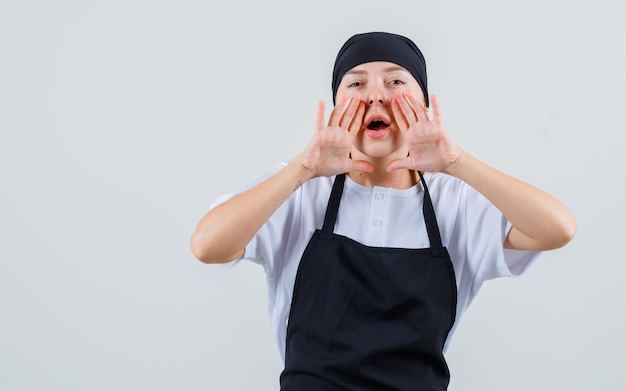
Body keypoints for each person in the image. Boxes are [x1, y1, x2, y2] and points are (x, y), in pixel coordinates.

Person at [190, 32, 576, 390]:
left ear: (423, 104)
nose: (376, 95)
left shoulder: (455, 202)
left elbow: (557, 228)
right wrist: (302, 169)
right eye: (356, 83)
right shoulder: (300, 190)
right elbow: (208, 245)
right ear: (335, 107)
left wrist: (456, 162)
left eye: (396, 82)